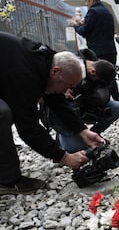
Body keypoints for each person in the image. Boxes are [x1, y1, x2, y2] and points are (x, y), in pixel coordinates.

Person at [0, 32, 104, 195]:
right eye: (68, 85)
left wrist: (82, 130)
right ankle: (8, 181)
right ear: (56, 72)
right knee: (3, 113)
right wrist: (64, 157)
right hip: (12, 73)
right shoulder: (24, 75)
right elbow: (28, 127)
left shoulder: (46, 61)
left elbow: (56, 99)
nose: (67, 91)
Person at [47, 50, 119, 153]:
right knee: (73, 147)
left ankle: (93, 135)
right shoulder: (69, 70)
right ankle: (63, 139)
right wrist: (62, 93)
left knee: (117, 107)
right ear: (93, 72)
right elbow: (54, 106)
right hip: (66, 114)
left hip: (84, 109)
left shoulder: (99, 70)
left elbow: (104, 98)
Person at [68, 0, 119, 101]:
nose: (86, 4)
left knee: (99, 78)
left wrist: (75, 25)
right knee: (110, 76)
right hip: (110, 49)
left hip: (98, 50)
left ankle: (102, 102)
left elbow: (84, 31)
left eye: (86, 1)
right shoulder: (106, 12)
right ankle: (117, 100)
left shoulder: (93, 11)